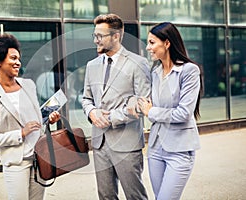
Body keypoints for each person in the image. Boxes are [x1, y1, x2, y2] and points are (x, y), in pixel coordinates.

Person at [0, 33, 60, 200]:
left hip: (39, 158)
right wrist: (20, 133)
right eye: (13, 58)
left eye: (19, 58)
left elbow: (35, 121)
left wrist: (48, 119)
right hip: (16, 163)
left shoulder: (28, 85)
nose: (18, 62)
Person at [81, 14, 151, 200]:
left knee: (135, 196)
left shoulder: (138, 63)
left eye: (100, 36)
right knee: (105, 196)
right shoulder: (91, 65)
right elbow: (86, 98)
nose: (96, 40)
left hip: (126, 144)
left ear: (116, 36)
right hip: (99, 143)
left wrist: (109, 118)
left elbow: (142, 103)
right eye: (94, 35)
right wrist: (92, 112)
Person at [136, 22, 203, 199]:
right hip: (156, 148)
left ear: (167, 43)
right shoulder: (155, 72)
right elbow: (144, 102)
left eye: (152, 42)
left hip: (180, 150)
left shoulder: (189, 71)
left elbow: (183, 114)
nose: (148, 47)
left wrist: (151, 112)